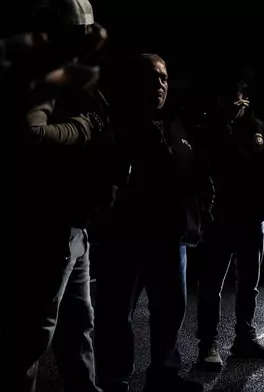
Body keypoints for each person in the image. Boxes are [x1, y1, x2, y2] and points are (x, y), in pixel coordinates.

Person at [0, 1, 110, 391]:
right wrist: (83, 127)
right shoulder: (39, 73)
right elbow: (31, 134)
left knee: (77, 325)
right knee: (34, 334)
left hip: (73, 224)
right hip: (48, 223)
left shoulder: (68, 74)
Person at [94, 54, 213, 392]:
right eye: (151, 77)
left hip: (171, 236)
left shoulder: (175, 122)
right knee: (118, 313)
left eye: (163, 78)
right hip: (127, 236)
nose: (159, 84)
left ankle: (164, 374)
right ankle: (114, 379)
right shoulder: (115, 122)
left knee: (171, 310)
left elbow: (188, 170)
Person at [194, 80, 264, 371]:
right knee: (211, 285)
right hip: (221, 222)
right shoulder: (210, 130)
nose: (229, 104)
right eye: (224, 98)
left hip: (253, 221)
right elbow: (199, 173)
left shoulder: (260, 129)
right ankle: (208, 344)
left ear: (245, 99)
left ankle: (244, 338)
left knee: (249, 285)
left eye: (235, 98)